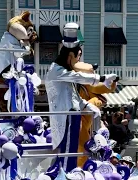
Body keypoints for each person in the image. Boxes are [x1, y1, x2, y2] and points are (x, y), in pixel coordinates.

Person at [45, 22, 117, 171]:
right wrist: (102, 78)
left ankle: (74, 172)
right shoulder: (57, 71)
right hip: (65, 119)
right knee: (68, 154)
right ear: (70, 55)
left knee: (75, 151)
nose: (78, 61)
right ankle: (66, 175)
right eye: (78, 57)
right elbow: (79, 77)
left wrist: (86, 105)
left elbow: (72, 95)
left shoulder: (63, 73)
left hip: (72, 116)